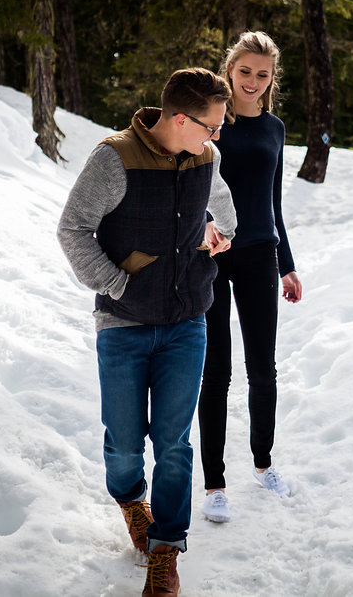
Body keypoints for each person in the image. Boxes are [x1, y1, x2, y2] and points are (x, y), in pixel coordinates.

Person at [57, 68, 237, 596]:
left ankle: (167, 548)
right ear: (181, 119)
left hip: (187, 321)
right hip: (124, 325)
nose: (217, 135)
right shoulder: (113, 159)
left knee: (175, 443)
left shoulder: (207, 156)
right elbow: (72, 230)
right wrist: (114, 283)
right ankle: (132, 498)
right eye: (212, 125)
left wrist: (218, 234)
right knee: (124, 445)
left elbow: (225, 212)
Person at [197, 31, 303, 524]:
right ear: (229, 69)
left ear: (271, 78)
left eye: (263, 75)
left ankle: (263, 463)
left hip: (260, 253)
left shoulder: (275, 129)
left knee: (264, 369)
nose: (253, 82)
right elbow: (192, 187)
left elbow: (273, 202)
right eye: (245, 72)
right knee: (216, 372)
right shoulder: (210, 124)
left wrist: (287, 263)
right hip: (212, 256)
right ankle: (215, 483)